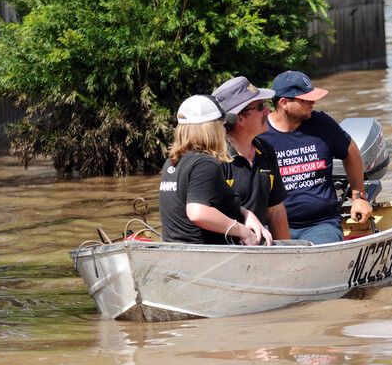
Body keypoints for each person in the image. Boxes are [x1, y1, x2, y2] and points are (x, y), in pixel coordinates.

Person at [258, 70, 373, 245]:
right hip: (270, 225)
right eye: (306, 100)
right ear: (284, 103)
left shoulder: (322, 124)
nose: (313, 102)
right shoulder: (259, 133)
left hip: (321, 224)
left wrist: (358, 197)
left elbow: (350, 151)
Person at [158, 94, 272, 246]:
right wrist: (243, 232)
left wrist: (244, 212)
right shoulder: (205, 164)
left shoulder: (172, 162)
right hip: (206, 255)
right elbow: (198, 213)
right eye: (221, 124)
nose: (224, 129)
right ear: (212, 128)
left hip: (176, 250)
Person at [213, 76, 290, 240]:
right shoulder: (216, 159)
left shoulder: (266, 151)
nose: (268, 111)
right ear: (240, 118)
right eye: (261, 107)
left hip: (260, 249)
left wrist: (287, 255)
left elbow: (275, 210)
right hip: (224, 254)